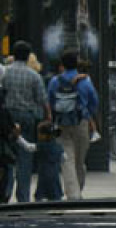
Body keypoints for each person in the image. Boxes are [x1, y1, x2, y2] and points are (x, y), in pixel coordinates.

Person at [2, 40, 51, 203]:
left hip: (7, 118)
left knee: (5, 155)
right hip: (27, 117)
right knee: (25, 158)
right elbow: (43, 100)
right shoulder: (34, 76)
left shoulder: (5, 72)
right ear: (28, 56)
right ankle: (23, 197)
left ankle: (5, 192)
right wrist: (48, 117)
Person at [46, 49, 97, 200]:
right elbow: (94, 102)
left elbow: (50, 101)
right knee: (80, 160)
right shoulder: (85, 81)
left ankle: (72, 194)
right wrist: (87, 115)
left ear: (62, 64)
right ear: (77, 63)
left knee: (67, 160)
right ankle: (77, 192)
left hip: (62, 124)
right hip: (81, 123)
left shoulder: (55, 81)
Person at [33, 121, 64, 202]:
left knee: (40, 193)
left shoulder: (41, 146)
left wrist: (18, 139)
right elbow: (64, 158)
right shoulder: (58, 146)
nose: (38, 135)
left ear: (45, 135)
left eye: (39, 133)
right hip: (55, 174)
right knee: (55, 193)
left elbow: (29, 147)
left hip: (43, 174)